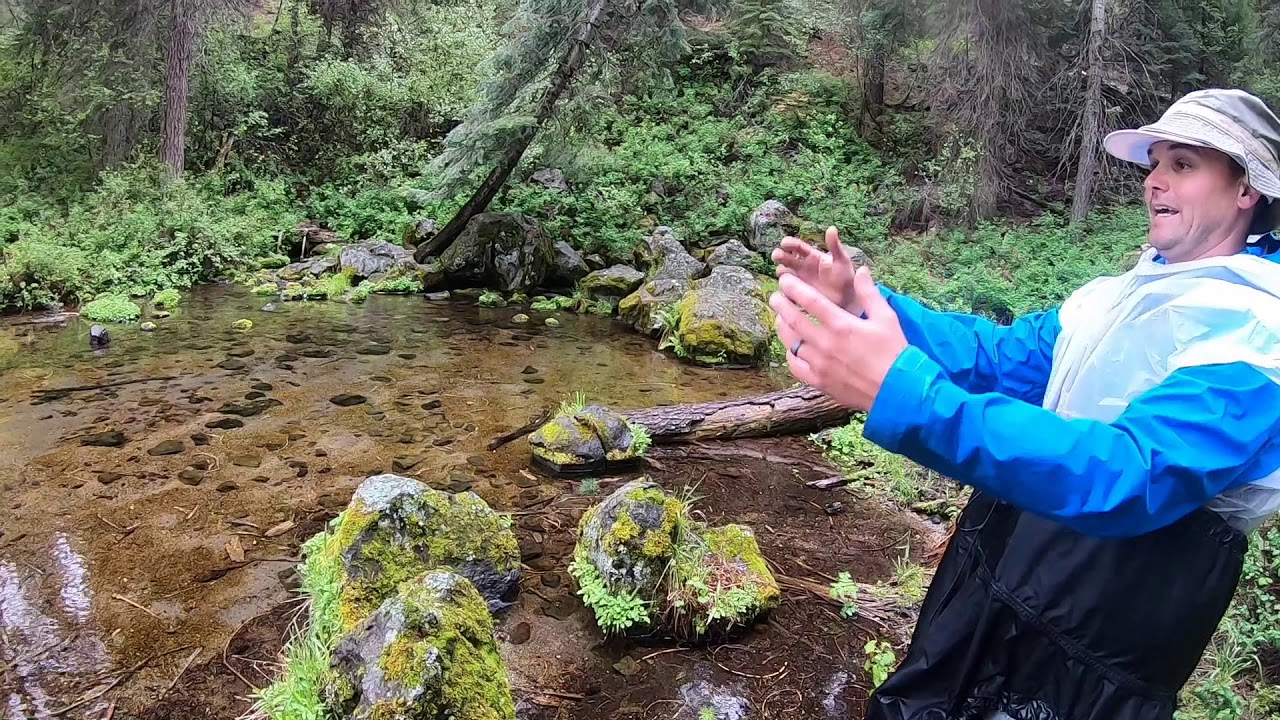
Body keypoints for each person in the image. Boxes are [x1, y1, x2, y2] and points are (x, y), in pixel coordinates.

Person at [769, 87, 1280, 720]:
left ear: (1246, 190)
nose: (1155, 181)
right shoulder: (1121, 295)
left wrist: (909, 396)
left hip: (1097, 650)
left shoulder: (1259, 335)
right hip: (1002, 569)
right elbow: (999, 359)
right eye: (1154, 163)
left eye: (1182, 164)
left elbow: (1129, 473)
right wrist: (868, 309)